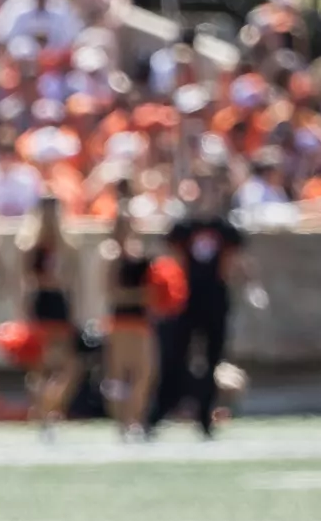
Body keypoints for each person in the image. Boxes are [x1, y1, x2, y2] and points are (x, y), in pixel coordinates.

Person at [151, 175, 244, 438]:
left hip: (214, 300)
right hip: (184, 302)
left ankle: (205, 416)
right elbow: (170, 263)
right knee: (175, 357)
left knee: (212, 360)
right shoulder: (183, 228)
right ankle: (161, 411)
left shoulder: (226, 229)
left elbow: (233, 264)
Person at [104, 208, 186, 440]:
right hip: (121, 320)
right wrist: (144, 295)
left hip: (141, 320)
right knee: (120, 375)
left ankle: (135, 419)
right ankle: (122, 423)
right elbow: (112, 293)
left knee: (146, 373)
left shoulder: (141, 253)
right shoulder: (111, 254)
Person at [25, 196, 77, 438]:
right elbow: (28, 280)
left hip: (58, 303)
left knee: (66, 365)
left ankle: (50, 407)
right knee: (40, 364)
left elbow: (69, 276)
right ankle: (43, 413)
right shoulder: (31, 244)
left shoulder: (65, 243)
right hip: (42, 302)